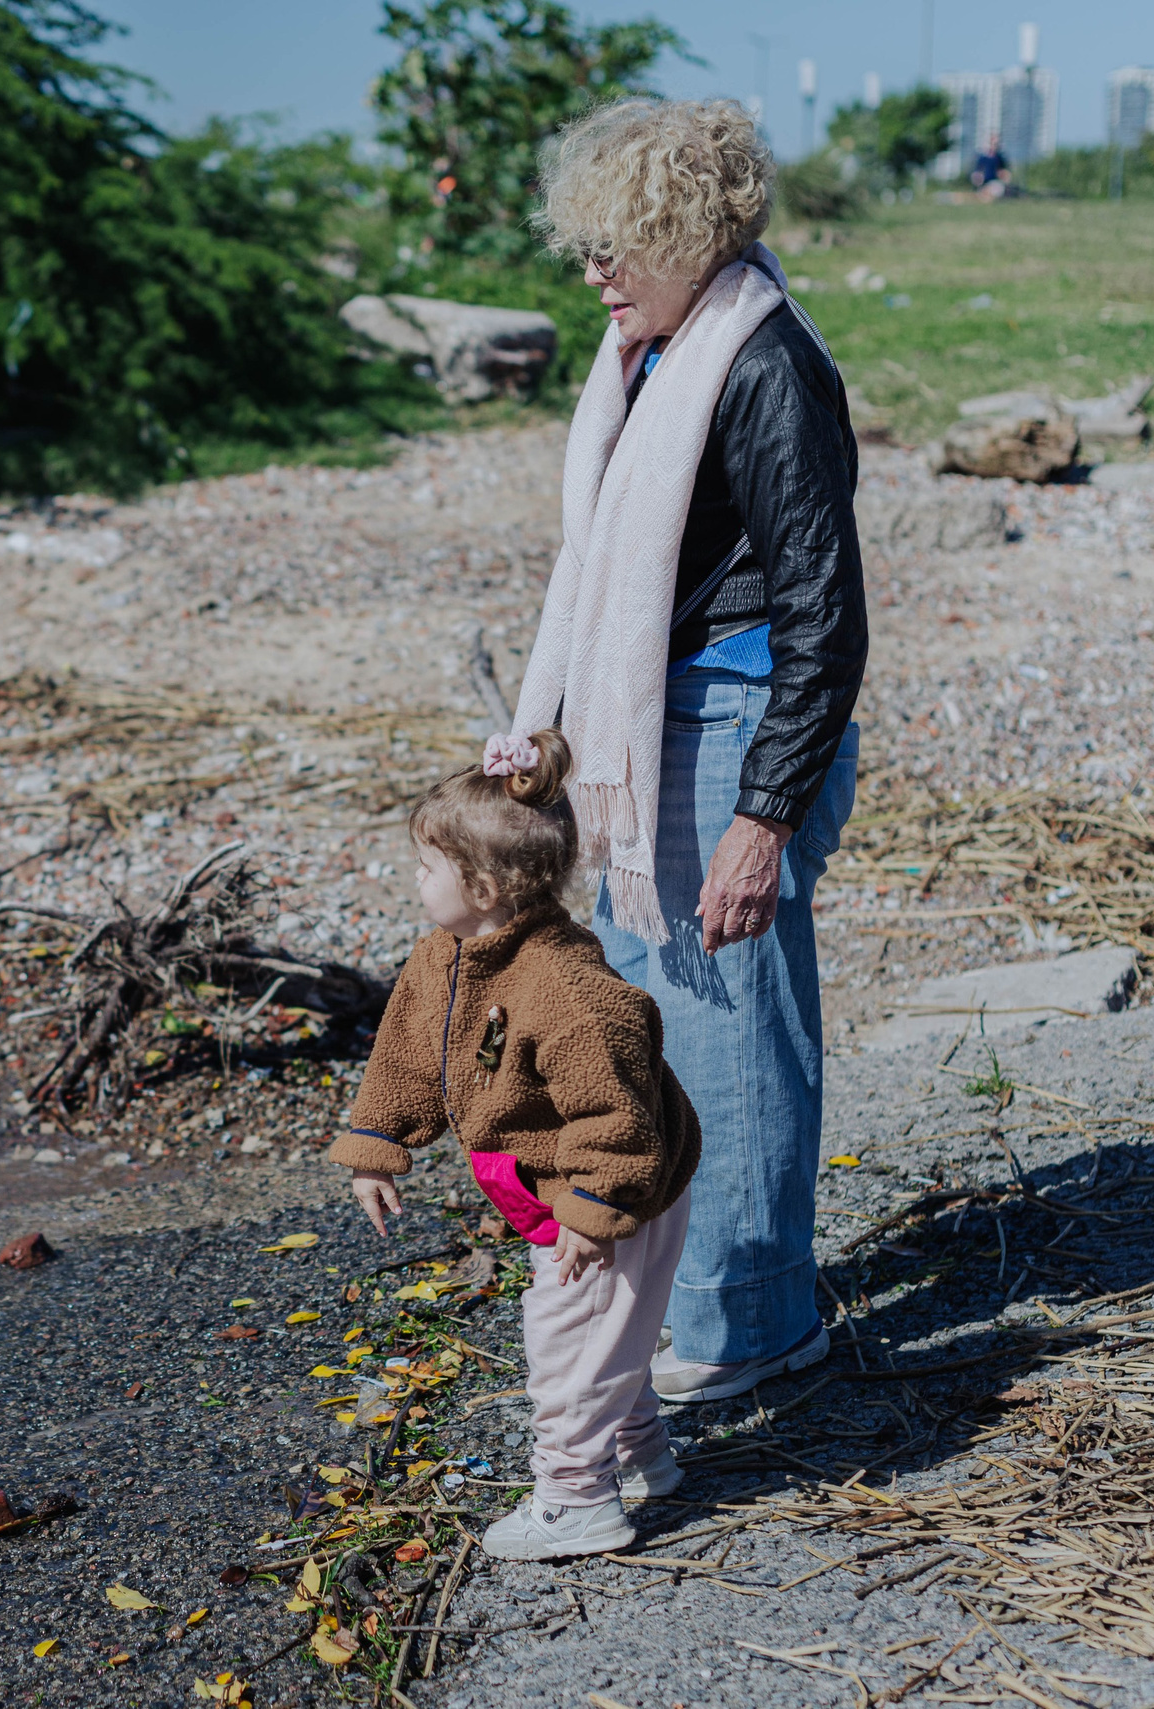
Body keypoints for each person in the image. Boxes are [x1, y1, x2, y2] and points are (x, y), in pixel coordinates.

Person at [517, 98, 866, 1406]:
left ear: (688, 233)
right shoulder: (659, 355)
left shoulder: (767, 368)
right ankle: (722, 1293)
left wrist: (762, 817)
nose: (593, 270)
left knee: (731, 1034)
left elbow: (827, 619)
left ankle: (757, 1324)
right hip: (671, 724)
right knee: (668, 1027)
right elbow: (606, 569)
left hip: (741, 726)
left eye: (618, 243)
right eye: (587, 243)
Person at [332, 728, 701, 1561]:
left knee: (565, 1342)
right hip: (550, 1185)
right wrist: (377, 1144)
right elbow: (406, 1051)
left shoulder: (566, 986)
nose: (416, 881)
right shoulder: (446, 956)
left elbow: (619, 1107)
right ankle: (642, 1455)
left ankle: (577, 1499)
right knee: (606, 1331)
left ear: (488, 885)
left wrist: (596, 1206)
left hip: (621, 1187)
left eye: (428, 867)